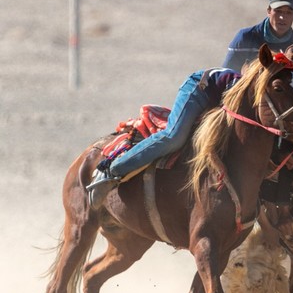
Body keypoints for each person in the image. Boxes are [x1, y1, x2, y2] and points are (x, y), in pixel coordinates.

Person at [85, 66, 244, 207]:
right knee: (174, 137)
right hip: (199, 88)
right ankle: (112, 170)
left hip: (214, 100)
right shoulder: (245, 89)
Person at [224, 0, 293, 79]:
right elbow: (225, 78)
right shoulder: (246, 37)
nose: (282, 17)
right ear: (269, 11)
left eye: (288, 13)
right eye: (278, 11)